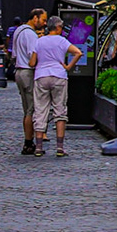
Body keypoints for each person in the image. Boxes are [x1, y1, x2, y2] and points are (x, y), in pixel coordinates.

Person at [29, 15, 82, 157]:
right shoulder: (62, 41)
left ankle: (39, 147)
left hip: (41, 76)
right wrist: (68, 67)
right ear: (58, 27)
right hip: (59, 76)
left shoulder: (39, 41)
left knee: (40, 110)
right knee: (60, 111)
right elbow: (78, 52)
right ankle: (60, 147)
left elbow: (32, 63)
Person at [10, 9, 46, 155]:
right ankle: (29, 143)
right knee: (31, 109)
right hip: (28, 72)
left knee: (27, 109)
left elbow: (12, 54)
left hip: (19, 71)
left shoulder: (19, 30)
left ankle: (28, 141)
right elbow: (33, 57)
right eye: (43, 20)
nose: (44, 23)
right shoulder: (30, 34)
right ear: (35, 18)